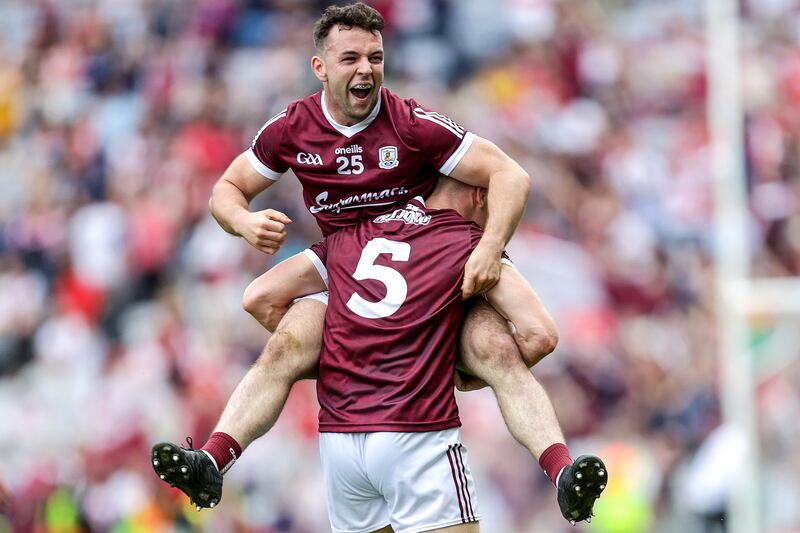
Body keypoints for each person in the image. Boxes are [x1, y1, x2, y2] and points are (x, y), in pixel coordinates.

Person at [152, 2, 603, 525]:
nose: (366, 68)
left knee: (479, 345)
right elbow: (226, 191)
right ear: (320, 68)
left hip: (410, 281)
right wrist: (244, 223)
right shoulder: (291, 129)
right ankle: (212, 460)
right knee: (298, 340)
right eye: (351, 58)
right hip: (354, 272)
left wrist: (482, 250)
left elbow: (510, 176)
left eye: (376, 57)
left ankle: (560, 469)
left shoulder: (410, 124)